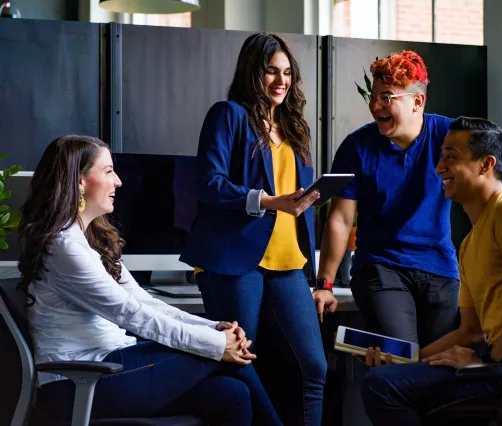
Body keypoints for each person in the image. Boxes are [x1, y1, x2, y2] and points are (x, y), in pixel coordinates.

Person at [18, 135, 282, 426]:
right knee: (218, 353)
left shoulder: (91, 240)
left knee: (231, 395)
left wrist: (212, 328)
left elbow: (144, 301)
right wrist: (218, 343)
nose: (118, 181)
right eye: (108, 171)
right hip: (78, 383)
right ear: (79, 181)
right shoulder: (63, 245)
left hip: (114, 367)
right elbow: (129, 313)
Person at [360, 117, 502, 426]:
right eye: (441, 155)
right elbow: (470, 332)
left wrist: (487, 359)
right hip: (498, 367)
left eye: (451, 156)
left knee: (383, 387)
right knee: (385, 376)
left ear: (486, 164)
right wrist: (407, 360)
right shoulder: (469, 243)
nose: (439, 167)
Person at [179, 33, 327, 426]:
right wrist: (268, 200)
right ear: (252, 72)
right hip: (234, 261)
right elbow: (208, 183)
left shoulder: (294, 127)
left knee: (313, 367)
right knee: (239, 362)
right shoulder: (228, 115)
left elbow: (291, 197)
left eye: (287, 73)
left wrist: (308, 198)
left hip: (288, 261)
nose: (281, 81)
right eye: (271, 72)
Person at [314, 50, 459, 347]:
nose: (375, 106)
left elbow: (487, 177)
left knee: (440, 367)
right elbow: (340, 220)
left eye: (387, 97)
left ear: (417, 102)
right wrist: (324, 285)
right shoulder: (357, 147)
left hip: (440, 268)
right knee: (402, 356)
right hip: (381, 268)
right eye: (374, 96)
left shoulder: (449, 136)